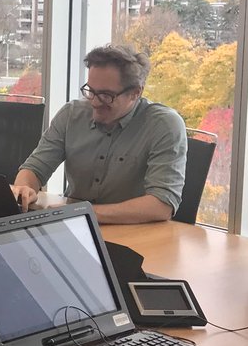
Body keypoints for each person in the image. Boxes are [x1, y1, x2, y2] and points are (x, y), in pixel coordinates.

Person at [12, 44, 186, 224]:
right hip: (74, 228)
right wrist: (24, 188)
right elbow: (35, 167)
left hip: (135, 233)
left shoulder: (164, 125)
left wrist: (85, 213)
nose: (94, 102)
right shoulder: (72, 114)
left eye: (106, 95)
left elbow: (161, 205)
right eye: (91, 91)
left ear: (135, 93)